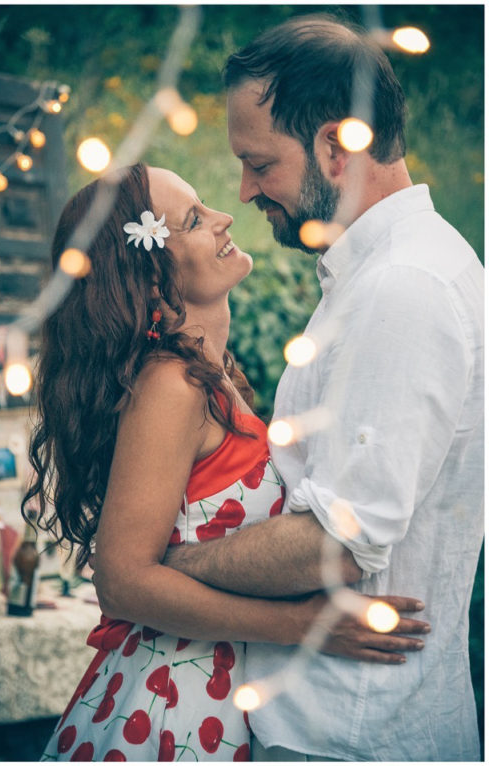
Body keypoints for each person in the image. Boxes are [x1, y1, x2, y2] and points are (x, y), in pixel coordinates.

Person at [25, 162, 427, 762]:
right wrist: (306, 625)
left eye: (204, 203)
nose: (224, 218)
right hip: (174, 707)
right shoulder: (171, 386)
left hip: (222, 692)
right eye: (193, 219)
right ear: (152, 280)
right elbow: (122, 580)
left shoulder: (210, 377)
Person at [161, 15, 484, 761]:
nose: (243, 191)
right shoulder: (383, 273)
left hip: (347, 736)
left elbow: (338, 543)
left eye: (260, 163)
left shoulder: (403, 288)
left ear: (338, 147)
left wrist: (173, 571)